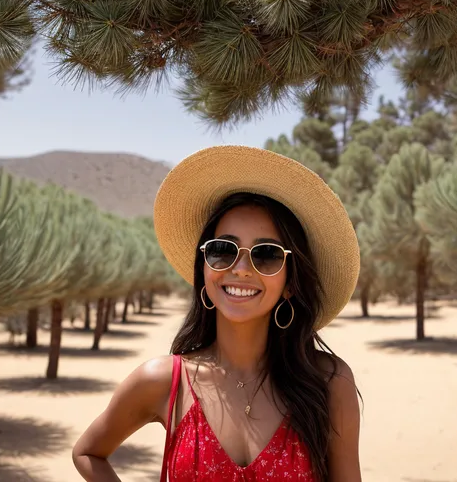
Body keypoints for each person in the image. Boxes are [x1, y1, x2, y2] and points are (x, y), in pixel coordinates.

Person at [72, 145, 362, 481]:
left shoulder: (328, 384)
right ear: (205, 271)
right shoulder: (165, 381)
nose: (240, 269)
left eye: (266, 254)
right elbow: (88, 453)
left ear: (290, 284)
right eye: (223, 250)